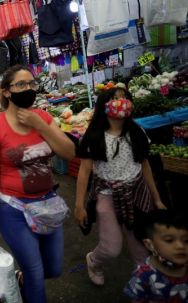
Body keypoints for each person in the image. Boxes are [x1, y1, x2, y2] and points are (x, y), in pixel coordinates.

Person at [0, 65, 75, 303]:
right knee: (35, 272)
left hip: (48, 204)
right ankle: (29, 284)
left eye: (31, 84)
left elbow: (70, 153)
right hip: (13, 208)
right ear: (7, 92)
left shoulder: (42, 118)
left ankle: (21, 280)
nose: (28, 88)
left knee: (53, 269)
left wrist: (40, 125)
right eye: (21, 84)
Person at [75, 87, 166, 287]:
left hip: (137, 192)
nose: (121, 102)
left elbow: (145, 166)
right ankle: (94, 261)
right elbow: (84, 171)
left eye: (125, 98)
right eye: (115, 98)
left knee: (141, 247)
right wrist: (79, 205)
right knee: (111, 247)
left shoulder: (137, 132)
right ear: (104, 105)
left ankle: (143, 286)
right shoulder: (94, 135)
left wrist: (157, 199)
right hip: (106, 194)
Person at [124, 210, 187, 302]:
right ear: (150, 244)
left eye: (186, 240)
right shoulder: (143, 275)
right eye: (169, 240)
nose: (181, 246)